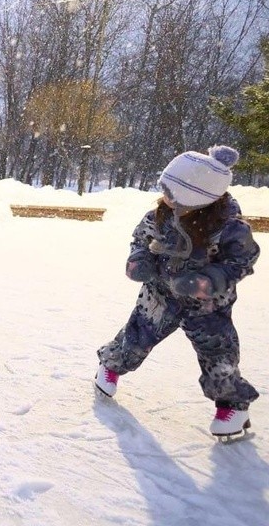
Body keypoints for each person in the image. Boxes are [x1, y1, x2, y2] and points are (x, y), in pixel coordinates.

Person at [94, 145, 260, 438]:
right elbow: (140, 238)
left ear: (200, 197)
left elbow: (242, 261)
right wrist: (139, 259)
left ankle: (232, 406)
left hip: (207, 305)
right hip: (160, 294)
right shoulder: (160, 215)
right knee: (136, 336)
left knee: (218, 353)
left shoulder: (230, 227)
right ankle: (111, 366)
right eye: (165, 189)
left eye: (173, 192)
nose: (165, 197)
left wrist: (207, 282)